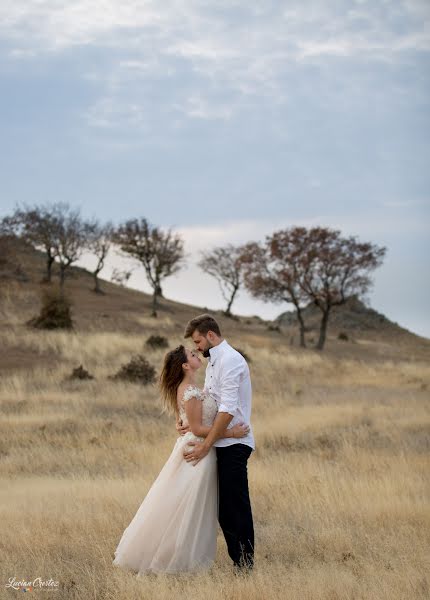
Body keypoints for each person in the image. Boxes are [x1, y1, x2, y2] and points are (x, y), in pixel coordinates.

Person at [112, 345, 249, 575]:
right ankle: (176, 560)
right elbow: (197, 427)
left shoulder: (192, 388)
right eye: (192, 355)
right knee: (186, 505)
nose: (197, 355)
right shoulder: (189, 390)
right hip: (198, 450)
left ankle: (179, 556)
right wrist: (231, 433)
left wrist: (182, 421)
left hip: (197, 445)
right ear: (186, 365)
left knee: (185, 504)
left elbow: (189, 420)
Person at [180, 314, 255, 571]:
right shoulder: (213, 363)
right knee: (223, 509)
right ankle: (240, 562)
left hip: (235, 443)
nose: (198, 347)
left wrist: (204, 445)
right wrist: (191, 425)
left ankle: (245, 566)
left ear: (211, 336)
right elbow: (210, 404)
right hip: (219, 442)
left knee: (236, 506)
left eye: (199, 341)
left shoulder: (231, 360)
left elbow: (228, 410)